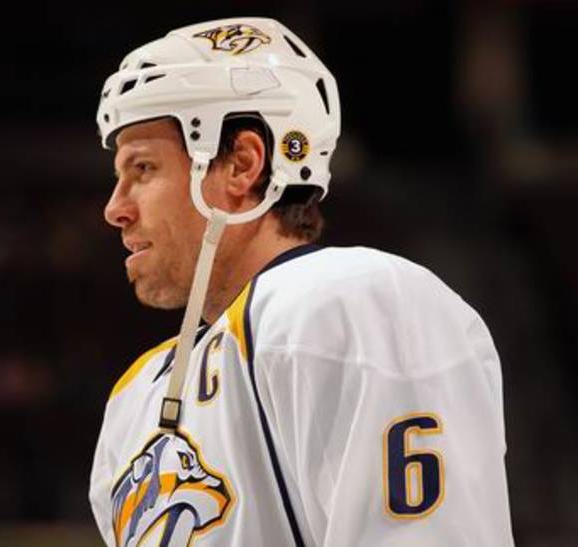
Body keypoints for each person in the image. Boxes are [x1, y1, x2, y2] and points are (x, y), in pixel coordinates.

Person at [89, 17, 514, 547]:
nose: (115, 208)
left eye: (143, 169)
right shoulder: (136, 394)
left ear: (242, 165)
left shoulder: (351, 300)